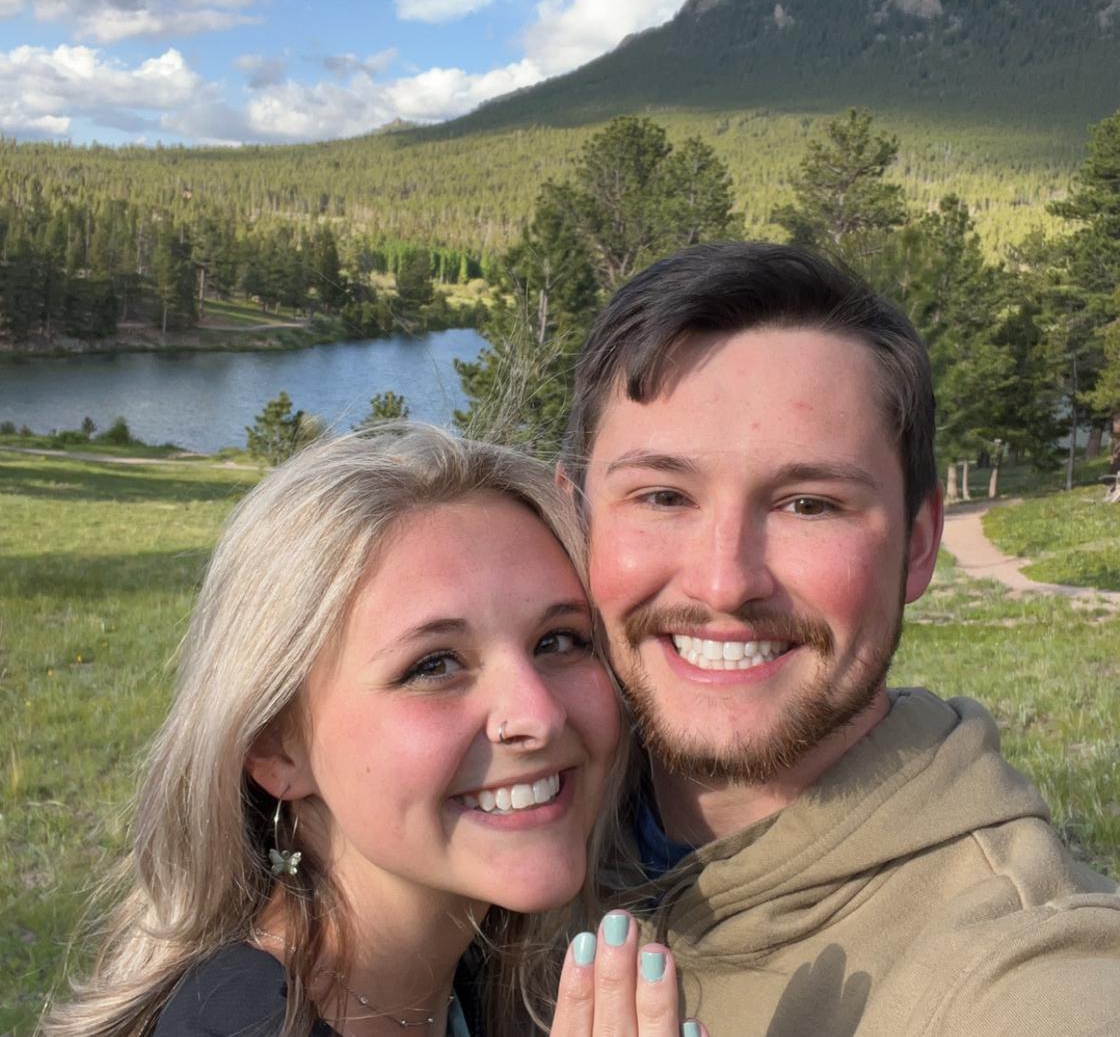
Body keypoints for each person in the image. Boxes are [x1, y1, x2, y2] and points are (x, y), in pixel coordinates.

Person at [558, 242, 1120, 1037]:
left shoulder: (1023, 964)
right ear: (575, 515)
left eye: (809, 505)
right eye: (662, 495)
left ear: (919, 544)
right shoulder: (519, 831)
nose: (724, 583)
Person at [39, 425, 686, 1037]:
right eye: (434, 665)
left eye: (560, 640)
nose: (539, 715)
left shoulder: (487, 979)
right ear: (274, 749)